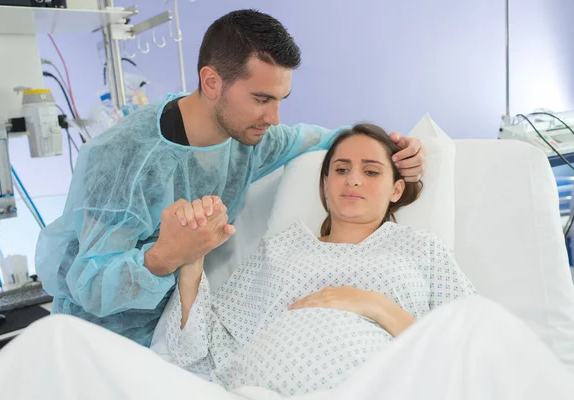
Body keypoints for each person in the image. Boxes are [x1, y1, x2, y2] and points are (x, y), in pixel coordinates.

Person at [0, 125, 572, 400]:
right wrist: (191, 263)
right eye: (340, 168)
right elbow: (197, 348)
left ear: (396, 190)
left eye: (371, 171)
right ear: (323, 183)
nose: (352, 180)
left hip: (371, 386)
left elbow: (467, 344)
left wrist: (377, 306)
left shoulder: (419, 250)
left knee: (485, 322)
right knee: (51, 341)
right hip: (247, 391)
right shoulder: (284, 246)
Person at [35, 9, 425, 347]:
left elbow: (329, 141)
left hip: (172, 337)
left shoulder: (250, 140)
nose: (274, 118)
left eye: (280, 100)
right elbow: (89, 284)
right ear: (211, 82)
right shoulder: (122, 157)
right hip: (96, 340)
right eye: (261, 99)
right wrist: (166, 255)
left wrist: (398, 149)